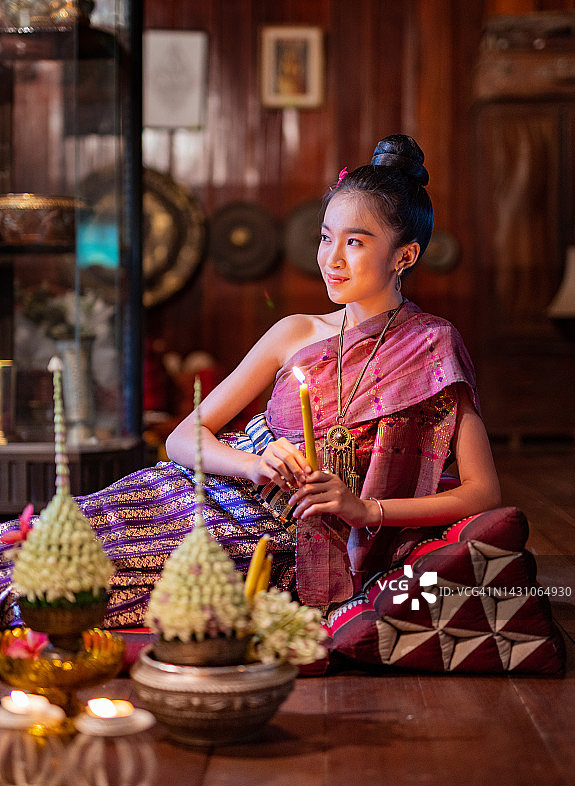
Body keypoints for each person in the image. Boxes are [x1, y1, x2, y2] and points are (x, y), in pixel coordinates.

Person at [0, 134, 500, 626]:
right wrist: (254, 464)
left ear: (404, 256)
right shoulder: (296, 332)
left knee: (64, 585)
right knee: (40, 540)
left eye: (355, 241)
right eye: (326, 237)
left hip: (277, 537)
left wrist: (365, 510)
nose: (332, 258)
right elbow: (182, 438)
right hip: (200, 489)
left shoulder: (433, 346)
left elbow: (483, 493)